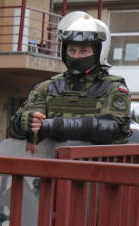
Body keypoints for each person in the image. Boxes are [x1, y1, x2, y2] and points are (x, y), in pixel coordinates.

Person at [8, 13, 131, 149]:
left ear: (99, 53)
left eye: (84, 51)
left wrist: (53, 126)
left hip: (98, 167)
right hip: (53, 165)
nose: (76, 56)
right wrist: (23, 122)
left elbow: (112, 129)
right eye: (72, 50)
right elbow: (14, 129)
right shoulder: (47, 88)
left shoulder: (114, 89)